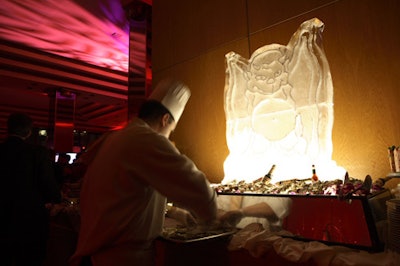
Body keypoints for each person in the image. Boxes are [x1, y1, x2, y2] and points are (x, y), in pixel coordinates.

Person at [70, 79, 217, 266]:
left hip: (95, 254)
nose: (169, 135)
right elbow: (201, 191)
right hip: (121, 259)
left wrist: (173, 211)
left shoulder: (117, 138)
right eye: (171, 129)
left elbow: (127, 195)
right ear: (165, 120)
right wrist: (213, 215)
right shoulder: (145, 138)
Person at [0, 113, 62, 266]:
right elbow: (47, 183)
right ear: (29, 131)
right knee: (30, 258)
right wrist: (57, 199)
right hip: (29, 217)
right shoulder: (37, 152)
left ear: (8, 129)